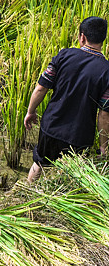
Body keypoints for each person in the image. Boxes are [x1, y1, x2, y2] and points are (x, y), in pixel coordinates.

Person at [24, 17, 109, 183]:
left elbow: (41, 88)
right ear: (103, 39)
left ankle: (26, 193)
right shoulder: (107, 71)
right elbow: (104, 114)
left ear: (82, 37)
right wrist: (103, 146)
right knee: (72, 176)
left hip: (51, 126)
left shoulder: (64, 55)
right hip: (80, 135)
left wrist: (30, 112)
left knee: (39, 163)